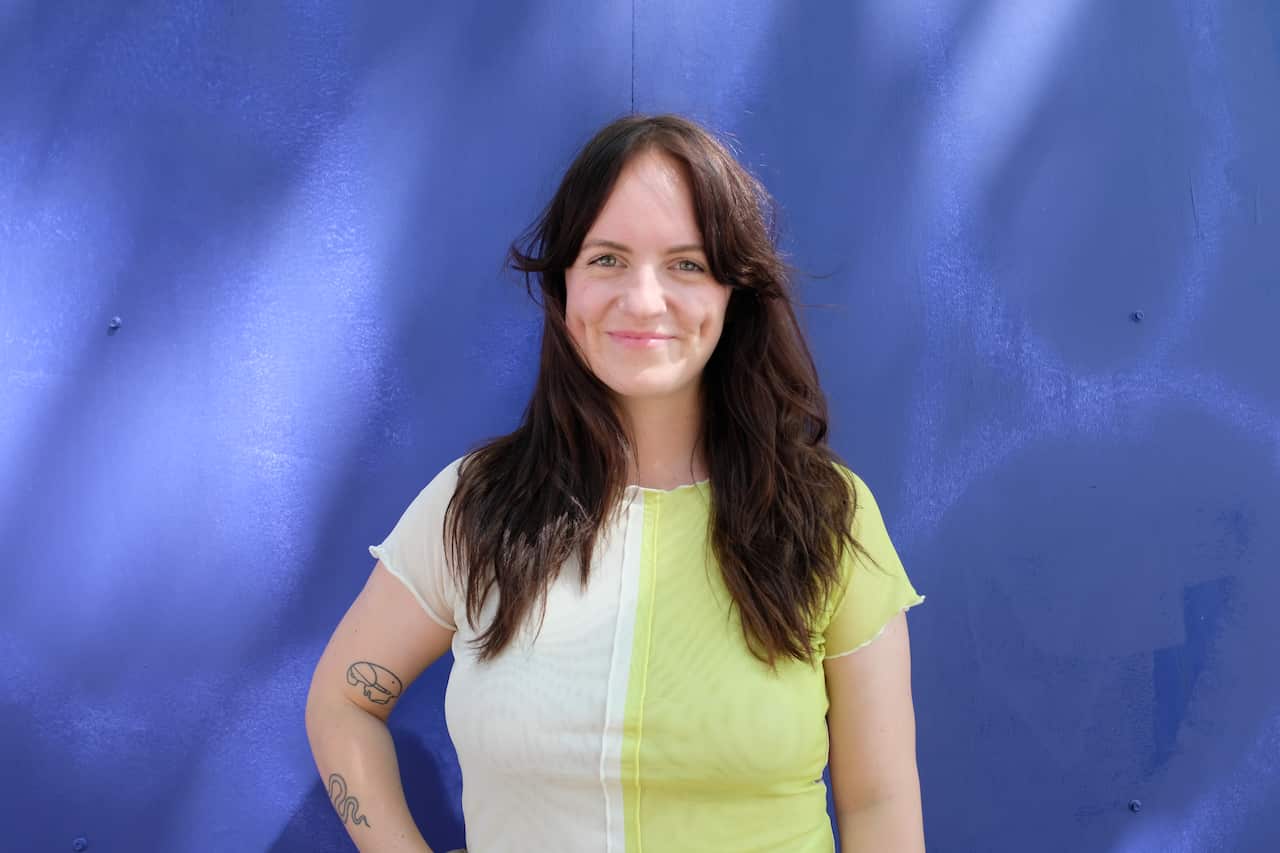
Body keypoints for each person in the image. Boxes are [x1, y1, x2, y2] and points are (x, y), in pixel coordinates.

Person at [305, 113, 927, 853]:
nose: (642, 299)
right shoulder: (473, 508)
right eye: (607, 259)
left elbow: (880, 803)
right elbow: (341, 701)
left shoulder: (826, 515)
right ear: (564, 284)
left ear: (734, 291)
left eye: (686, 263)